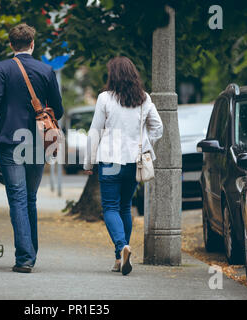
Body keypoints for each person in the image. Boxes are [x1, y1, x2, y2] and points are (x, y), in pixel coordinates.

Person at [0, 23, 64, 273]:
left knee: (17, 197)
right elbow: (59, 107)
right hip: (37, 141)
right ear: (32, 44)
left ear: (12, 45)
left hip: (10, 141)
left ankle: (25, 258)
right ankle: (29, 253)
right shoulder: (46, 70)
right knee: (30, 198)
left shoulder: (2, 68)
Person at [83, 57, 163, 276]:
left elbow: (95, 131)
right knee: (125, 207)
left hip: (110, 161)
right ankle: (120, 258)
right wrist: (145, 145)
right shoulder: (144, 99)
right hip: (133, 161)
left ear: (113, 76)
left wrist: (88, 162)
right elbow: (158, 128)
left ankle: (121, 247)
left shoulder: (104, 99)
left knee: (109, 207)